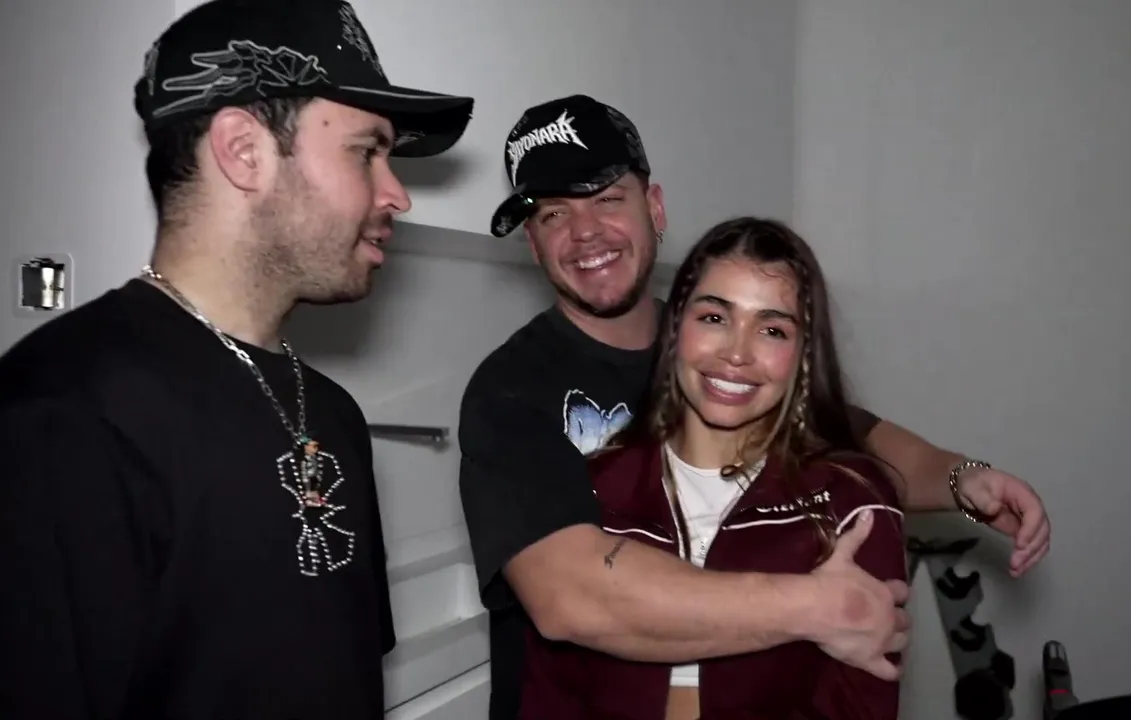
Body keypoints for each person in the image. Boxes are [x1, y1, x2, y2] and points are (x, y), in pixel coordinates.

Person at [459, 94, 1051, 719]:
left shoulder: (716, 359)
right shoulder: (510, 389)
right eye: (552, 212)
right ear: (532, 242)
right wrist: (819, 607)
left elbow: (850, 435)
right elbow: (570, 597)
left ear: (654, 208)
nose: (584, 231)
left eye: (606, 198)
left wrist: (963, 478)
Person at [0, 1, 473, 718]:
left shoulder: (334, 416)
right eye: (366, 152)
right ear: (244, 150)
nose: (397, 194)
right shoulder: (60, 413)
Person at [519, 216, 909, 720]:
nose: (737, 354)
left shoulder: (852, 501)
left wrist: (963, 480)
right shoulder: (591, 488)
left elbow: (862, 706)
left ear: (803, 354)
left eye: (772, 329)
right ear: (676, 326)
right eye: (714, 318)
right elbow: (549, 697)